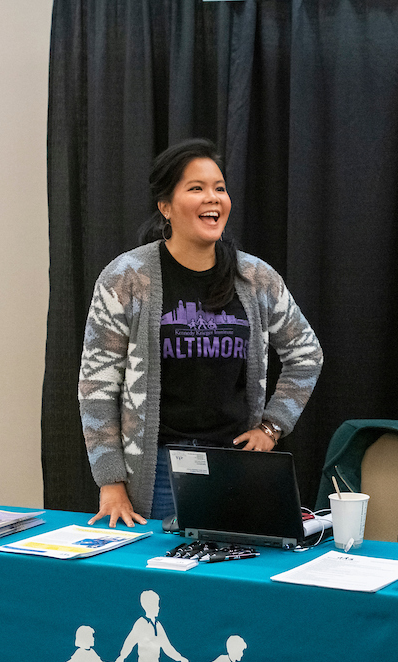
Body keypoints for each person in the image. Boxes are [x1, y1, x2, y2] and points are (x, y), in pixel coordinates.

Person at [79, 138, 323, 525]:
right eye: (196, 188)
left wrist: (272, 426)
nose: (213, 198)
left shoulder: (255, 277)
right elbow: (96, 385)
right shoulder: (126, 277)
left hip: (235, 464)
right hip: (157, 468)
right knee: (158, 578)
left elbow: (306, 354)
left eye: (219, 189)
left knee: (230, 576)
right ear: (165, 207)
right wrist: (110, 481)